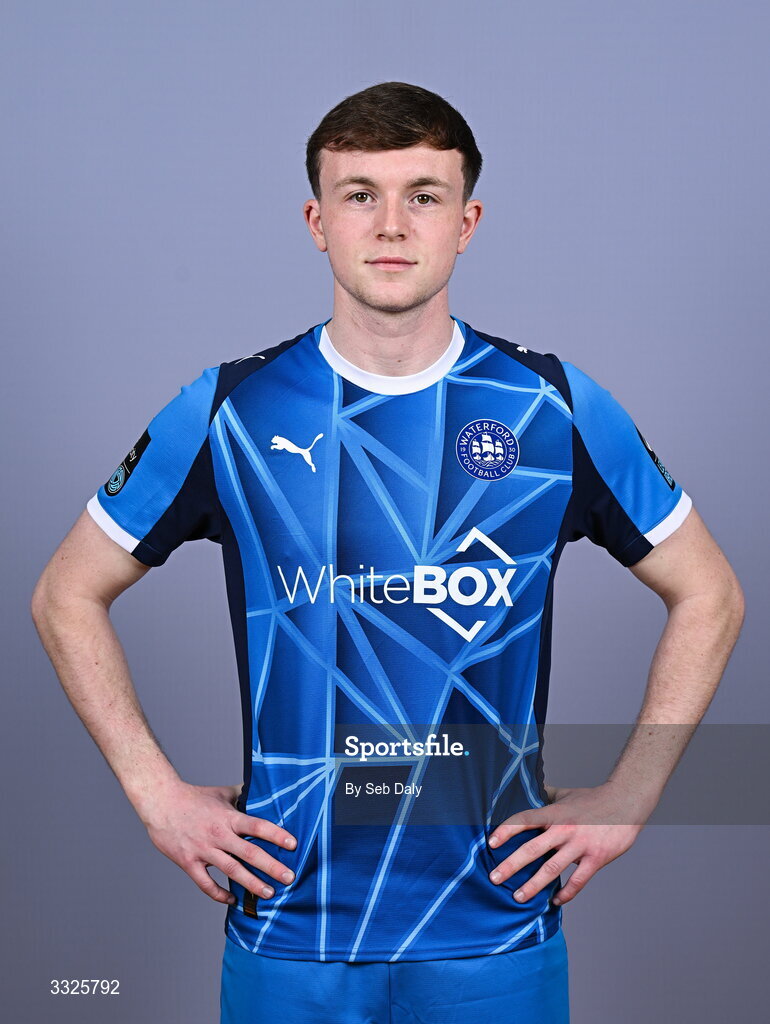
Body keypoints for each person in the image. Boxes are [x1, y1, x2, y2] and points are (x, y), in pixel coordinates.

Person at [31, 81, 744, 1024]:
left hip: (495, 928)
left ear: (468, 220)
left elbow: (712, 595)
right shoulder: (230, 411)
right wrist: (156, 796)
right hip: (291, 930)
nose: (392, 224)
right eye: (360, 193)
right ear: (317, 220)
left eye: (425, 194)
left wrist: (632, 793)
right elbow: (64, 594)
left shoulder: (553, 407)